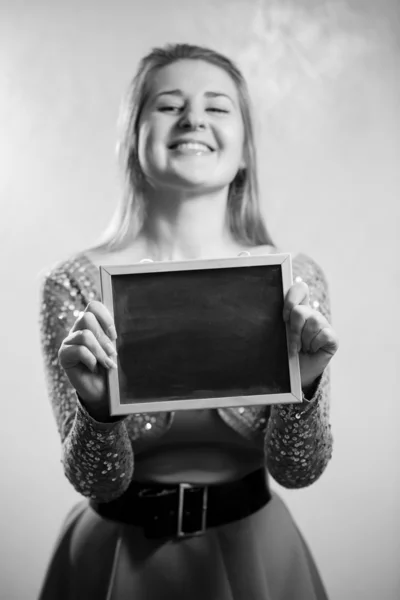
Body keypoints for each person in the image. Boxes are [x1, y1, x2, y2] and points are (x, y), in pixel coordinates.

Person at [38, 43, 338, 600]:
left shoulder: (295, 281)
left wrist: (307, 390)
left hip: (259, 559)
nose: (193, 118)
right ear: (135, 139)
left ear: (246, 147)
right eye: (169, 105)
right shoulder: (75, 284)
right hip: (113, 565)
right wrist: (98, 413)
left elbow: (300, 471)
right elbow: (94, 479)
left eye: (218, 107)